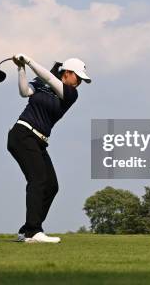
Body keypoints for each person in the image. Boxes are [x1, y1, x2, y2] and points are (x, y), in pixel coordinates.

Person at [7, 53, 91, 243]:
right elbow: (25, 92)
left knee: (51, 186)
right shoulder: (41, 83)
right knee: (37, 180)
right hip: (22, 135)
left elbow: (49, 78)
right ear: (67, 73)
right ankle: (33, 232)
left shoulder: (71, 94)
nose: (79, 83)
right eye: (78, 77)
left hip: (38, 141)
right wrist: (21, 68)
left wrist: (27, 60)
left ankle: (26, 229)